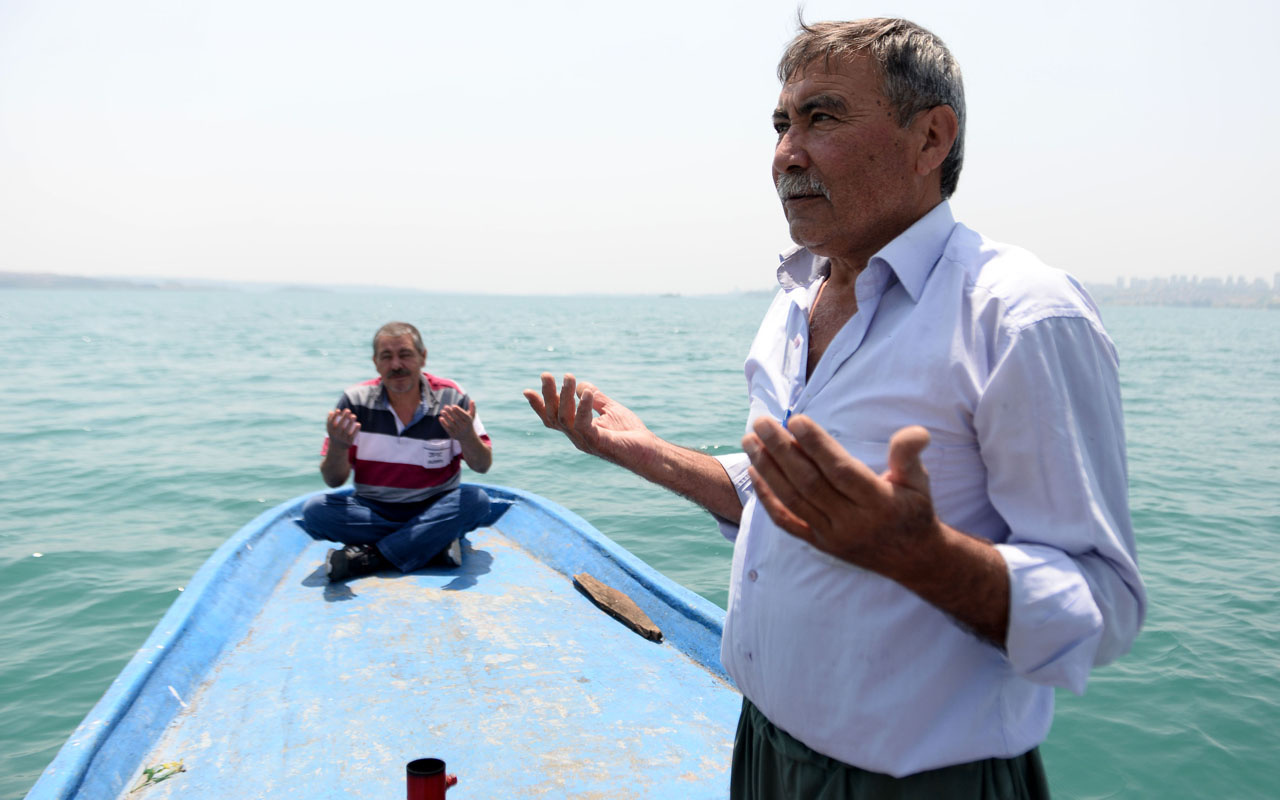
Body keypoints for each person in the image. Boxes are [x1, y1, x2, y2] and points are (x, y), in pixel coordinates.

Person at [524, 17, 1144, 799]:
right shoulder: (795, 300)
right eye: (782, 124)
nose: (787, 152)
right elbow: (774, 498)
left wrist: (920, 556)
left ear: (930, 139)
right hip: (761, 748)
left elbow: (1105, 604)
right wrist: (642, 451)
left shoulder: (1020, 316)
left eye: (822, 118)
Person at [302, 321, 492, 582]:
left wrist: (467, 436)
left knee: (477, 501)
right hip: (372, 510)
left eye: (405, 355)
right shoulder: (353, 401)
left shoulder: (452, 397)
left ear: (422, 357)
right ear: (375, 362)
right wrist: (338, 446)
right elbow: (333, 480)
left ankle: (372, 557)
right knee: (315, 511)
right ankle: (431, 543)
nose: (396, 365)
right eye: (386, 357)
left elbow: (482, 465)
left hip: (435, 506)